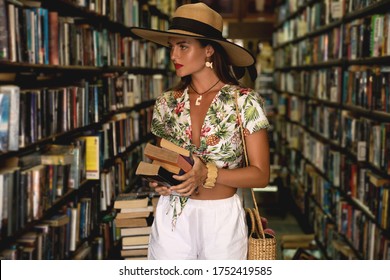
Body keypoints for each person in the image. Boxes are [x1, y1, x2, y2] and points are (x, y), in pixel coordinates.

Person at [130, 3, 270, 260]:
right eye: (171, 46)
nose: (174, 55)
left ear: (208, 50)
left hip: (221, 219)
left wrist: (208, 172)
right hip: (172, 215)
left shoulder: (244, 101)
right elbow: (163, 159)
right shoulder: (167, 102)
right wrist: (160, 180)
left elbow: (261, 175)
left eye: (183, 46)